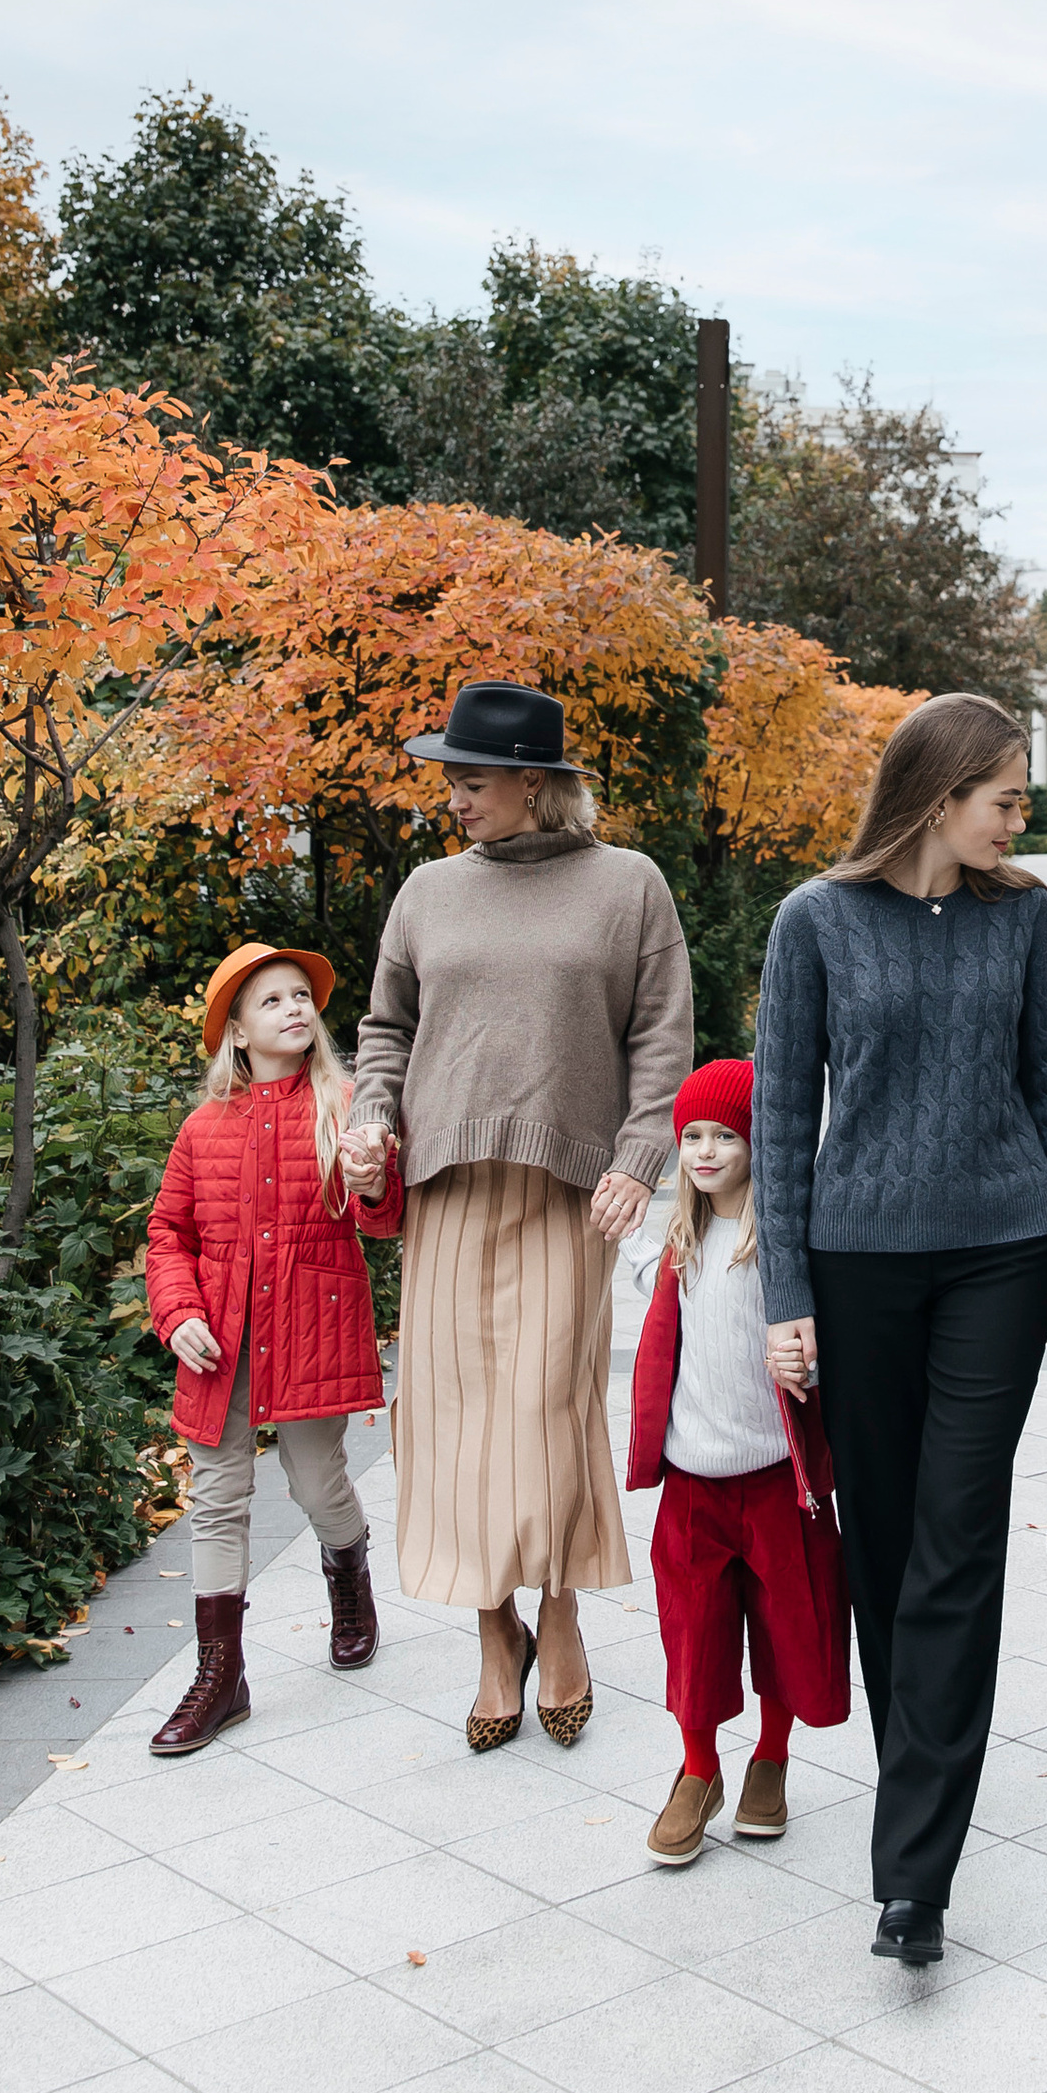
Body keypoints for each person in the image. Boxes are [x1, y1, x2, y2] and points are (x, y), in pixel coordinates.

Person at [754, 691, 1047, 1967]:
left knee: (957, 1538)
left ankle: (915, 1873)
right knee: (885, 1548)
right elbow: (783, 1118)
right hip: (858, 1266)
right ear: (937, 796)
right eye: (1004, 798)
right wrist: (786, 1294)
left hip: (1000, 1253)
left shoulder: (1024, 916)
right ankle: (918, 1792)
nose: (1019, 818)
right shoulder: (814, 920)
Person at [346, 678, 691, 1751]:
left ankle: (560, 1607)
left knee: (549, 1409)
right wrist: (369, 1117)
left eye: (473, 779)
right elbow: (386, 1027)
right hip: (446, 1186)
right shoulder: (427, 892)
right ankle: (495, 1629)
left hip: (570, 1191)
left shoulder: (628, 885)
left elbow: (663, 1036)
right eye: (450, 779)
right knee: (451, 1417)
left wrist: (640, 1158)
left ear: (537, 784)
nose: (454, 796)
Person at [144, 945, 407, 1757]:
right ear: (236, 1031)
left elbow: (384, 1220)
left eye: (301, 996)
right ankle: (220, 1676)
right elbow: (168, 1232)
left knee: (316, 1481)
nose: (295, 1008)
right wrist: (177, 1311)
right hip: (219, 1341)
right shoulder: (203, 1127)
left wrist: (374, 1182)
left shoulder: (345, 1105)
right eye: (272, 1000)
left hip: (308, 1330)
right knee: (218, 1498)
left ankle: (349, 1578)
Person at [623, 1056, 851, 1865]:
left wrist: (808, 1369)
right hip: (694, 1482)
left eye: (724, 1135)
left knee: (790, 1628)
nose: (706, 1151)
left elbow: (825, 1342)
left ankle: (771, 1759)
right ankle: (698, 1770)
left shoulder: (785, 1247)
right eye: (692, 1136)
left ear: (759, 1143)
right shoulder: (680, 1243)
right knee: (695, 1634)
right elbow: (648, 1277)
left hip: (778, 1480)